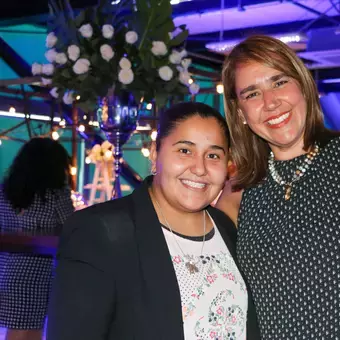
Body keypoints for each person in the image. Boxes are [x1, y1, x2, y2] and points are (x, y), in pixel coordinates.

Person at [47, 102, 260, 340]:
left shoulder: (227, 229)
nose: (199, 168)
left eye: (213, 155)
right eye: (184, 150)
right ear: (156, 152)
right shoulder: (100, 231)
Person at [217, 34, 340, 339]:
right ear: (240, 112)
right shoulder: (239, 191)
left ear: (303, 85)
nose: (270, 103)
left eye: (279, 82)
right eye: (252, 94)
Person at [0, 137, 74, 340]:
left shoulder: (5, 192)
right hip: (36, 273)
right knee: (30, 332)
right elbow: (73, 227)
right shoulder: (55, 195)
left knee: (17, 331)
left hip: (6, 270)